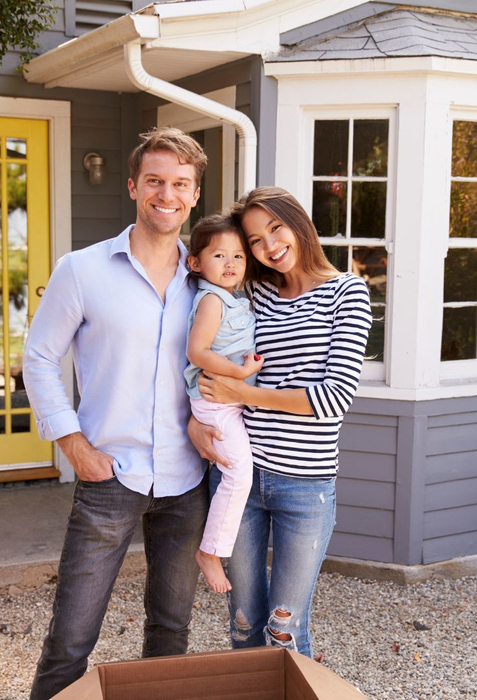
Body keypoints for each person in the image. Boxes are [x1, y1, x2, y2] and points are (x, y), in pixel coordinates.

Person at [23, 127, 212, 700]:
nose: (167, 194)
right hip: (109, 476)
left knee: (171, 631)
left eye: (180, 184)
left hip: (187, 479)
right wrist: (72, 442)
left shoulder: (207, 279)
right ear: (133, 186)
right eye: (155, 180)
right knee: (71, 638)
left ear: (195, 195)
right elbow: (38, 356)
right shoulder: (82, 270)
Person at [189, 187, 373, 659]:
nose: (268, 246)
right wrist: (194, 424)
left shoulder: (347, 292)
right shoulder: (254, 292)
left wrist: (243, 393)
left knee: (284, 629)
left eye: (275, 228)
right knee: (243, 623)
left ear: (298, 222)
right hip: (239, 476)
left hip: (305, 487)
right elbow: (196, 342)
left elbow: (333, 398)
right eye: (254, 240)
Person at [183, 213, 263, 593]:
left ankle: (214, 549)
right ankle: (210, 552)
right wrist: (239, 373)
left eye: (239, 256)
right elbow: (197, 351)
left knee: (236, 471)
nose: (230, 264)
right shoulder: (212, 301)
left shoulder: (237, 299)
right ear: (196, 263)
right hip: (216, 400)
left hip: (227, 400)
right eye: (219, 256)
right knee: (238, 473)